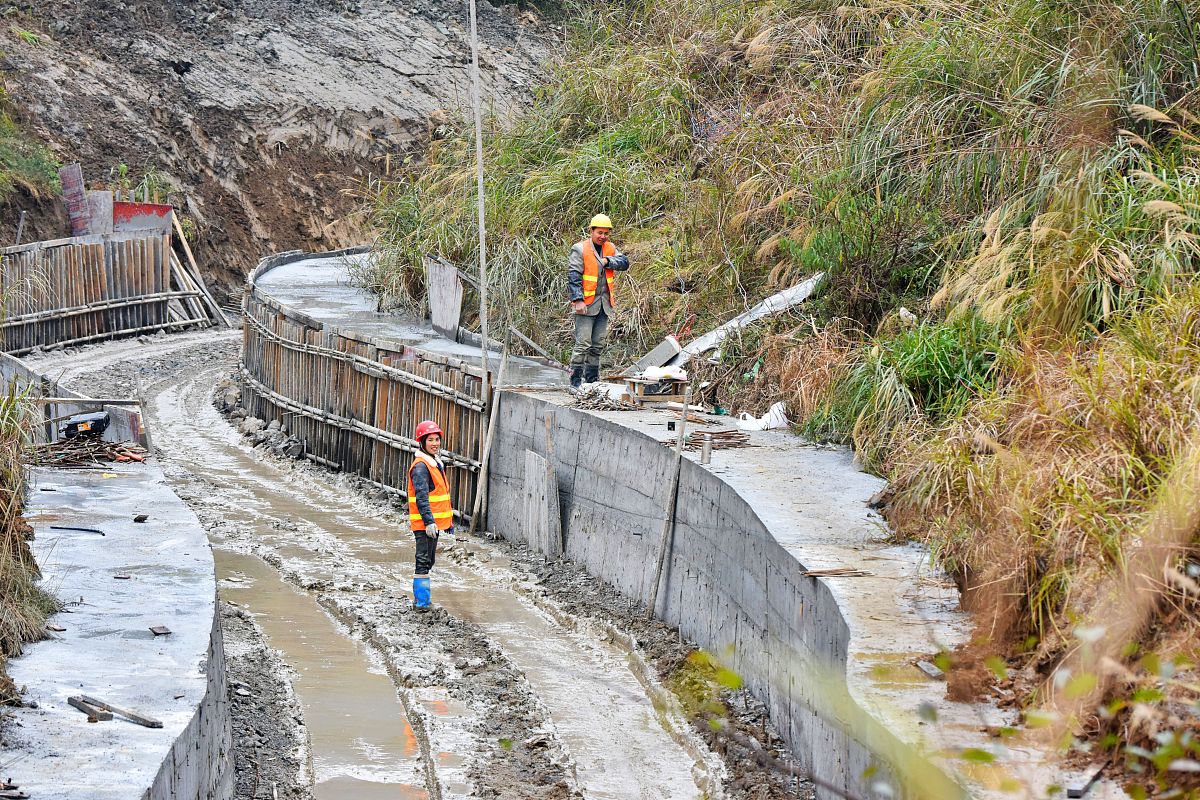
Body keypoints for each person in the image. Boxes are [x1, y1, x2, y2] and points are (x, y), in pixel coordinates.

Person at [567, 214, 630, 390]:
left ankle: (592, 381)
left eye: (606, 233)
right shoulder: (579, 249)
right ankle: (575, 381)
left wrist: (608, 261)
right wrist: (578, 300)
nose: (602, 236)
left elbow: (624, 262)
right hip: (585, 305)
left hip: (604, 304)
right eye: (599, 232)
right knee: (583, 343)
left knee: (597, 344)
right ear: (591, 231)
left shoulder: (610, 248)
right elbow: (573, 276)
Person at [407, 420, 454, 611]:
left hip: (432, 524)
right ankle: (422, 603)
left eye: (437, 440)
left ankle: (422, 600)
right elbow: (422, 498)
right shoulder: (421, 467)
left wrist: (443, 523)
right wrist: (429, 522)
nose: (435, 443)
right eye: (430, 440)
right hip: (425, 525)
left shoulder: (433, 464)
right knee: (423, 561)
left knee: (429, 561)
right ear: (422, 442)